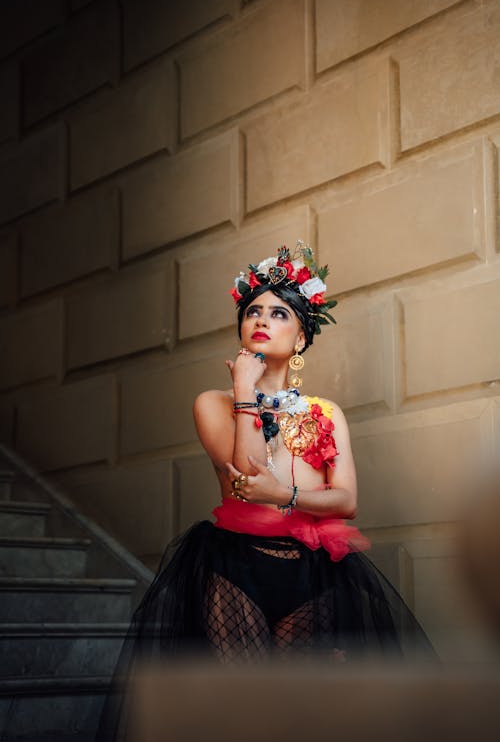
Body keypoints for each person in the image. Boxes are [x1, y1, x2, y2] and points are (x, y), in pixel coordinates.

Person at [97, 242, 435, 741]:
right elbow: (246, 472)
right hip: (235, 566)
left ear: (301, 336)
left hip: (313, 572)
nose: (261, 319)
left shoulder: (326, 413)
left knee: (297, 713)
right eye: (252, 310)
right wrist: (243, 391)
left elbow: (346, 501)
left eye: (279, 313)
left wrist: (286, 496)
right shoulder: (213, 402)